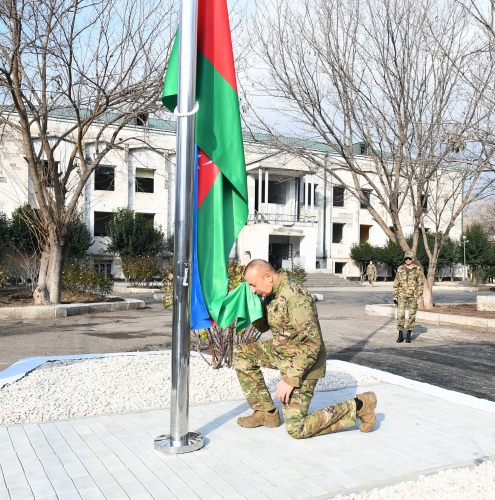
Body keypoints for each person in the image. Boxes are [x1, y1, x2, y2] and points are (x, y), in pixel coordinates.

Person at [233, 259, 377, 439]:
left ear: (268, 277)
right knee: (242, 353)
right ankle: (266, 413)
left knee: (296, 428)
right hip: (283, 352)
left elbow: (312, 343)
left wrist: (290, 380)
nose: (253, 289)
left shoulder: (295, 295)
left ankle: (360, 406)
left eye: (253, 285)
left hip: (304, 364)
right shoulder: (272, 293)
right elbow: (263, 327)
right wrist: (252, 306)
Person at [393, 251, 424, 343]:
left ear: (413, 259)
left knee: (412, 315)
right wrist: (395, 296)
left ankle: (409, 334)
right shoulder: (400, 269)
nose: (408, 260)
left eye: (409, 258)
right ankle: (400, 334)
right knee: (400, 315)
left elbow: (420, 284)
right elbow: (396, 283)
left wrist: (419, 296)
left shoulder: (417, 269)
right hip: (402, 295)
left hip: (413, 296)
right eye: (406, 258)